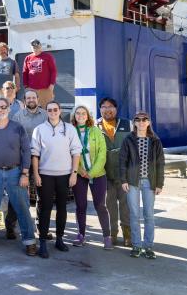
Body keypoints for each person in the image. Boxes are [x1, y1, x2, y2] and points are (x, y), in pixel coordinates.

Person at [0, 97, 37, 256]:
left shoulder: (18, 128)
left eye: (3, 107)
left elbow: (26, 151)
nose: (0, 110)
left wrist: (25, 173)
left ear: (9, 108)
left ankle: (30, 241)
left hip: (16, 172)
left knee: (22, 206)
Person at [31, 101, 80, 258]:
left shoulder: (70, 129)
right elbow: (35, 154)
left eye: (55, 109)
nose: (53, 112)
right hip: (45, 175)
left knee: (62, 209)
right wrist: (36, 174)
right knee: (44, 209)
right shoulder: (39, 130)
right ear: (46, 112)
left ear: (60, 111)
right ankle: (43, 242)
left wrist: (74, 173)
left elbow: (76, 152)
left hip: (64, 175)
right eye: (50, 110)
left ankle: (59, 239)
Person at [120, 111, 165, 259]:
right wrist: (124, 180)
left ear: (148, 122)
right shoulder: (128, 140)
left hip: (149, 182)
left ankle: (148, 247)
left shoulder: (155, 141)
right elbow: (123, 162)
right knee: (134, 214)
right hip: (132, 182)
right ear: (134, 123)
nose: (141, 122)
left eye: (144, 119)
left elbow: (160, 164)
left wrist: (159, 183)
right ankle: (136, 246)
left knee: (149, 215)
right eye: (138, 120)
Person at [8, 89, 48, 241]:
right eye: (28, 98)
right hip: (22, 160)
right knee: (17, 193)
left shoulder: (45, 115)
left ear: (38, 99)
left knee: (42, 195)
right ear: (24, 101)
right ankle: (10, 227)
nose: (31, 100)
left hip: (42, 160)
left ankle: (41, 228)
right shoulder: (17, 116)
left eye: (33, 97)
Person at [70, 105, 111, 249]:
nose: (80, 115)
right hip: (79, 174)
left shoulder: (95, 131)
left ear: (88, 116)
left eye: (83, 113)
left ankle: (107, 236)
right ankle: (81, 235)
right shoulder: (70, 132)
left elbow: (102, 153)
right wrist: (80, 171)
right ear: (74, 116)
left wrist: (92, 172)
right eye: (78, 113)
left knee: (100, 205)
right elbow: (69, 154)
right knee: (81, 205)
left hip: (98, 174)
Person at [97, 97, 133, 247]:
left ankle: (128, 234)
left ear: (116, 109)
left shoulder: (127, 124)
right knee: (109, 205)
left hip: (125, 175)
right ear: (100, 110)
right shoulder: (95, 126)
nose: (107, 109)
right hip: (105, 174)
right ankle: (112, 234)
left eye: (110, 106)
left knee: (126, 206)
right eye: (104, 107)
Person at [22, 39, 57, 107]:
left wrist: (52, 84)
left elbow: (53, 71)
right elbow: (25, 72)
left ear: (40, 47)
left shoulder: (48, 56)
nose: (35, 49)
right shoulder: (28, 58)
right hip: (31, 89)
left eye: (37, 47)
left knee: (47, 108)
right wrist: (26, 86)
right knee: (30, 108)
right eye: (34, 47)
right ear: (31, 48)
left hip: (45, 89)